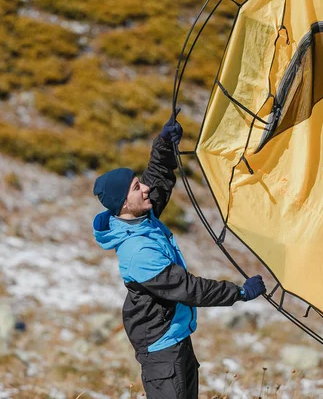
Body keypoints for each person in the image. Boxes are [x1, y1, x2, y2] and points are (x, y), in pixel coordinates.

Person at [92, 111, 266, 399]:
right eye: (137, 188)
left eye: (139, 182)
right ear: (123, 203)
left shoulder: (138, 219)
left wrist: (163, 145)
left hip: (176, 337)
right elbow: (188, 289)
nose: (145, 188)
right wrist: (239, 293)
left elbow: (157, 182)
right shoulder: (137, 251)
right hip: (162, 351)